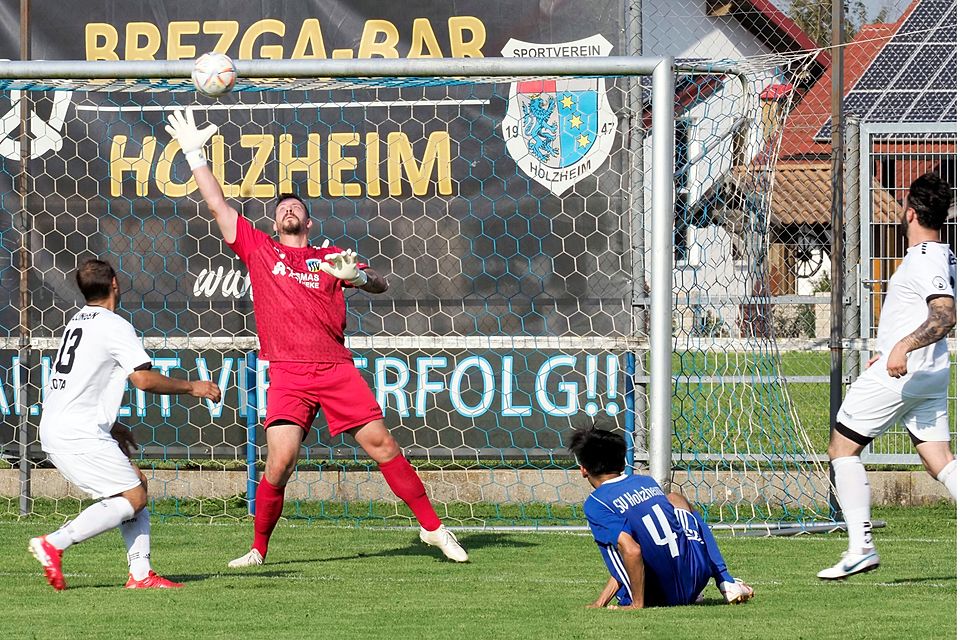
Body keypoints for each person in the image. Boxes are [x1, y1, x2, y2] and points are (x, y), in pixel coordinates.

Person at [164, 108, 468, 566]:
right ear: (272, 223)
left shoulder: (329, 256)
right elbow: (218, 206)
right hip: (287, 372)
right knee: (279, 464)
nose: (287, 208)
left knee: (383, 445)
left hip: (334, 368)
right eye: (280, 207)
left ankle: (433, 529)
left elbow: (382, 283)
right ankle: (258, 549)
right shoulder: (258, 249)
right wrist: (193, 154)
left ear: (308, 222)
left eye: (296, 206)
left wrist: (361, 279)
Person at [29, 259, 222, 590]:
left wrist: (111, 424)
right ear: (115, 283)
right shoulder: (113, 324)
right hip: (77, 432)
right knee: (134, 496)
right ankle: (55, 543)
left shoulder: (76, 321)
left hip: (64, 425)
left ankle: (141, 574)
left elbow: (85, 380)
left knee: (135, 484)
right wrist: (195, 387)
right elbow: (143, 379)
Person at [819, 172, 957, 580]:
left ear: (910, 212)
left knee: (842, 449)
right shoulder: (947, 255)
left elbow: (945, 315)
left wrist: (899, 349)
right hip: (929, 375)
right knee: (941, 462)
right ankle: (859, 547)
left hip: (905, 372)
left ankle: (860, 547)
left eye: (902, 206)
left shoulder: (925, 258)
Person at [569, 426, 754, 608]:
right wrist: (600, 602)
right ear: (623, 463)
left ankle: (643, 599)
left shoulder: (597, 503)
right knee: (675, 499)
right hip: (695, 579)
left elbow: (632, 551)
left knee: (626, 546)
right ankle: (725, 579)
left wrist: (637, 604)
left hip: (658, 596)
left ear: (583, 470)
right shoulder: (646, 482)